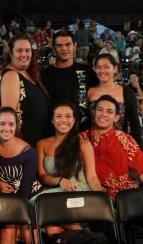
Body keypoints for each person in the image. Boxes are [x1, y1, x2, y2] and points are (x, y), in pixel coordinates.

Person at [35, 101, 102, 237]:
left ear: (74, 120)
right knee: (50, 226)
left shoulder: (83, 144)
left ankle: (85, 236)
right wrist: (60, 181)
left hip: (77, 190)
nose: (63, 120)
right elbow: (42, 175)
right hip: (56, 190)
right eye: (59, 116)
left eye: (68, 116)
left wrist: (101, 199)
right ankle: (85, 236)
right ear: (52, 120)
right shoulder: (41, 144)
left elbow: (92, 176)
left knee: (46, 209)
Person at [80, 95, 143, 200]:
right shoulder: (80, 140)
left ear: (116, 118)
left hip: (125, 199)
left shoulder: (125, 140)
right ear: (93, 112)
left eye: (109, 111)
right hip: (94, 201)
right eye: (100, 110)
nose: (104, 114)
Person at [0, 32, 50, 146]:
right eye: (19, 50)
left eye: (27, 50)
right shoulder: (11, 76)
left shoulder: (29, 74)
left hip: (36, 144)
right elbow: (8, 121)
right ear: (11, 53)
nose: (24, 54)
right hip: (22, 147)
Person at [0, 107, 38, 244]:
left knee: (28, 229)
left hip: (27, 196)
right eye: (2, 124)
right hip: (3, 198)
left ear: (17, 126)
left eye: (11, 124)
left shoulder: (28, 152)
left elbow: (26, 189)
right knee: (7, 229)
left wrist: (20, 220)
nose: (6, 128)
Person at [41, 30, 96, 127]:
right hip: (55, 132)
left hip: (83, 132)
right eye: (59, 45)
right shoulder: (45, 75)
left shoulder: (88, 71)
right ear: (54, 48)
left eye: (68, 44)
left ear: (75, 46)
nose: (64, 48)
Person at [87, 53, 143, 147]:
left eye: (106, 67)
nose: (102, 70)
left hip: (119, 146)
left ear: (115, 68)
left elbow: (135, 124)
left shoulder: (126, 92)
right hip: (92, 145)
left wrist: (139, 152)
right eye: (98, 67)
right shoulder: (89, 91)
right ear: (94, 69)